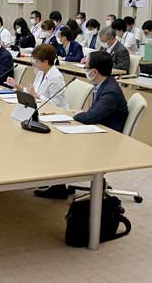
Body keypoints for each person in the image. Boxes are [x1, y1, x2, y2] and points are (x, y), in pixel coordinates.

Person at [35, 50, 128, 200]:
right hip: (98, 129)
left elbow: (90, 116)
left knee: (57, 141)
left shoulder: (110, 92)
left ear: (94, 71)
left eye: (85, 66)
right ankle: (58, 185)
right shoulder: (103, 84)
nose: (83, 67)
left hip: (106, 139)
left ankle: (59, 187)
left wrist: (75, 115)